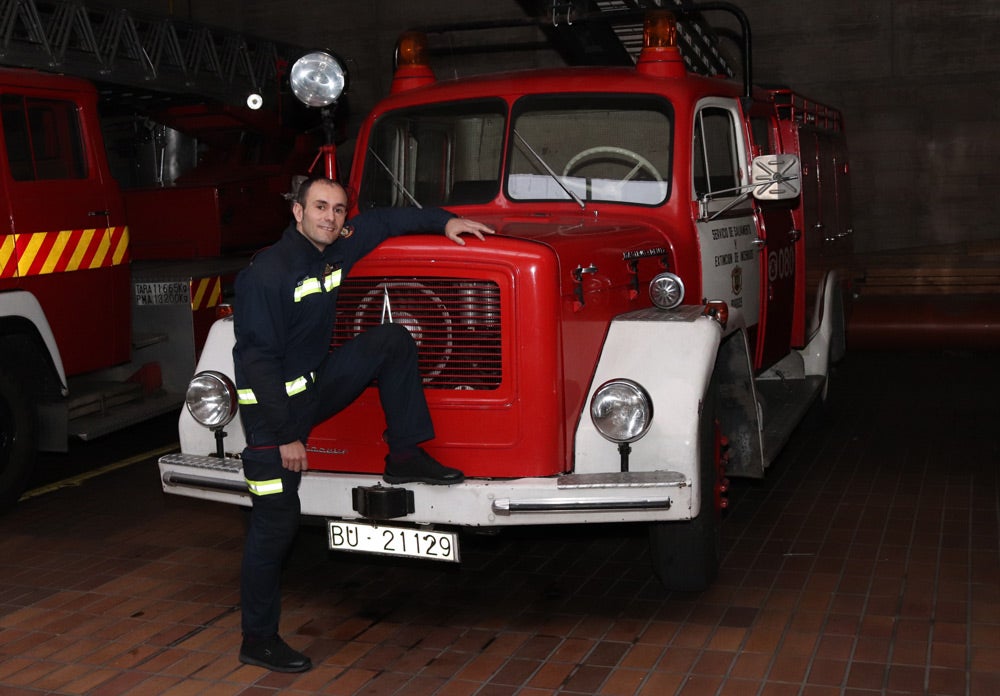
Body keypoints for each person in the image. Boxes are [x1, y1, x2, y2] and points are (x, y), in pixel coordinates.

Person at [232, 177, 493, 672]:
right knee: (275, 526)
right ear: (296, 212)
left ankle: (405, 456)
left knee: (392, 340)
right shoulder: (267, 274)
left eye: (337, 209)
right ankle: (257, 639)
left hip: (314, 388)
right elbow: (257, 363)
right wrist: (286, 436)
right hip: (272, 419)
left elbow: (385, 221)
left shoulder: (335, 248)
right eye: (319, 208)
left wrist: (445, 221)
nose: (329, 217)